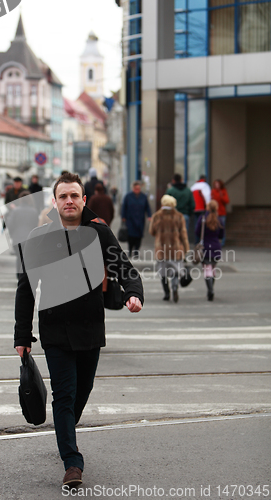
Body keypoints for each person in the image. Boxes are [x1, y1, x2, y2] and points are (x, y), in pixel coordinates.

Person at [14, 172, 144, 488]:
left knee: (80, 393)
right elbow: (26, 287)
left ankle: (65, 430)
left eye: (74, 195)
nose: (69, 201)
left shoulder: (99, 232)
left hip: (89, 328)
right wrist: (22, 334)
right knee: (65, 395)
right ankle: (72, 462)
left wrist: (132, 292)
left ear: (83, 200)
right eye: (63, 196)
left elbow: (123, 266)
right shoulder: (40, 237)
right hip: (55, 330)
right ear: (55, 202)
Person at [149, 195, 189, 303]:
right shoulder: (179, 216)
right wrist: (186, 249)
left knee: (163, 273)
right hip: (176, 249)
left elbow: (151, 231)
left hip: (161, 249)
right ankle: (175, 288)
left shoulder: (157, 216)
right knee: (175, 272)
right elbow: (183, 234)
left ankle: (166, 293)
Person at [195, 200, 224, 301]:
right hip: (216, 247)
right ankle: (211, 289)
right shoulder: (219, 220)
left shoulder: (202, 218)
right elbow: (221, 235)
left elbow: (197, 231)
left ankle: (210, 290)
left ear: (207, 207)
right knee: (213, 268)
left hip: (205, 247)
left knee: (207, 269)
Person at [121, 181, 152, 258]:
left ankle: (136, 251)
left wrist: (149, 216)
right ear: (133, 188)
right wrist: (123, 217)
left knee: (139, 236)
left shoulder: (143, 196)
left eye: (138, 188)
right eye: (136, 188)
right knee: (131, 236)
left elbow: (147, 207)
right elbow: (124, 207)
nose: (137, 190)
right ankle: (130, 250)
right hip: (130, 220)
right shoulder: (128, 196)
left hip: (140, 220)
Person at [191, 175, 211, 242]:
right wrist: (208, 206)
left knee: (196, 224)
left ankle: (196, 241)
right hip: (202, 208)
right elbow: (207, 196)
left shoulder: (194, 186)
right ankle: (201, 240)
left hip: (195, 208)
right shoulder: (205, 185)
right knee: (202, 225)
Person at [211, 179, 229, 247]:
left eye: (218, 184)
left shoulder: (223, 191)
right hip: (215, 213)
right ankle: (215, 241)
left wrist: (221, 196)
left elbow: (227, 201)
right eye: (215, 184)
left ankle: (222, 242)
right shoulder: (213, 191)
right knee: (214, 227)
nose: (217, 185)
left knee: (222, 227)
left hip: (222, 213)